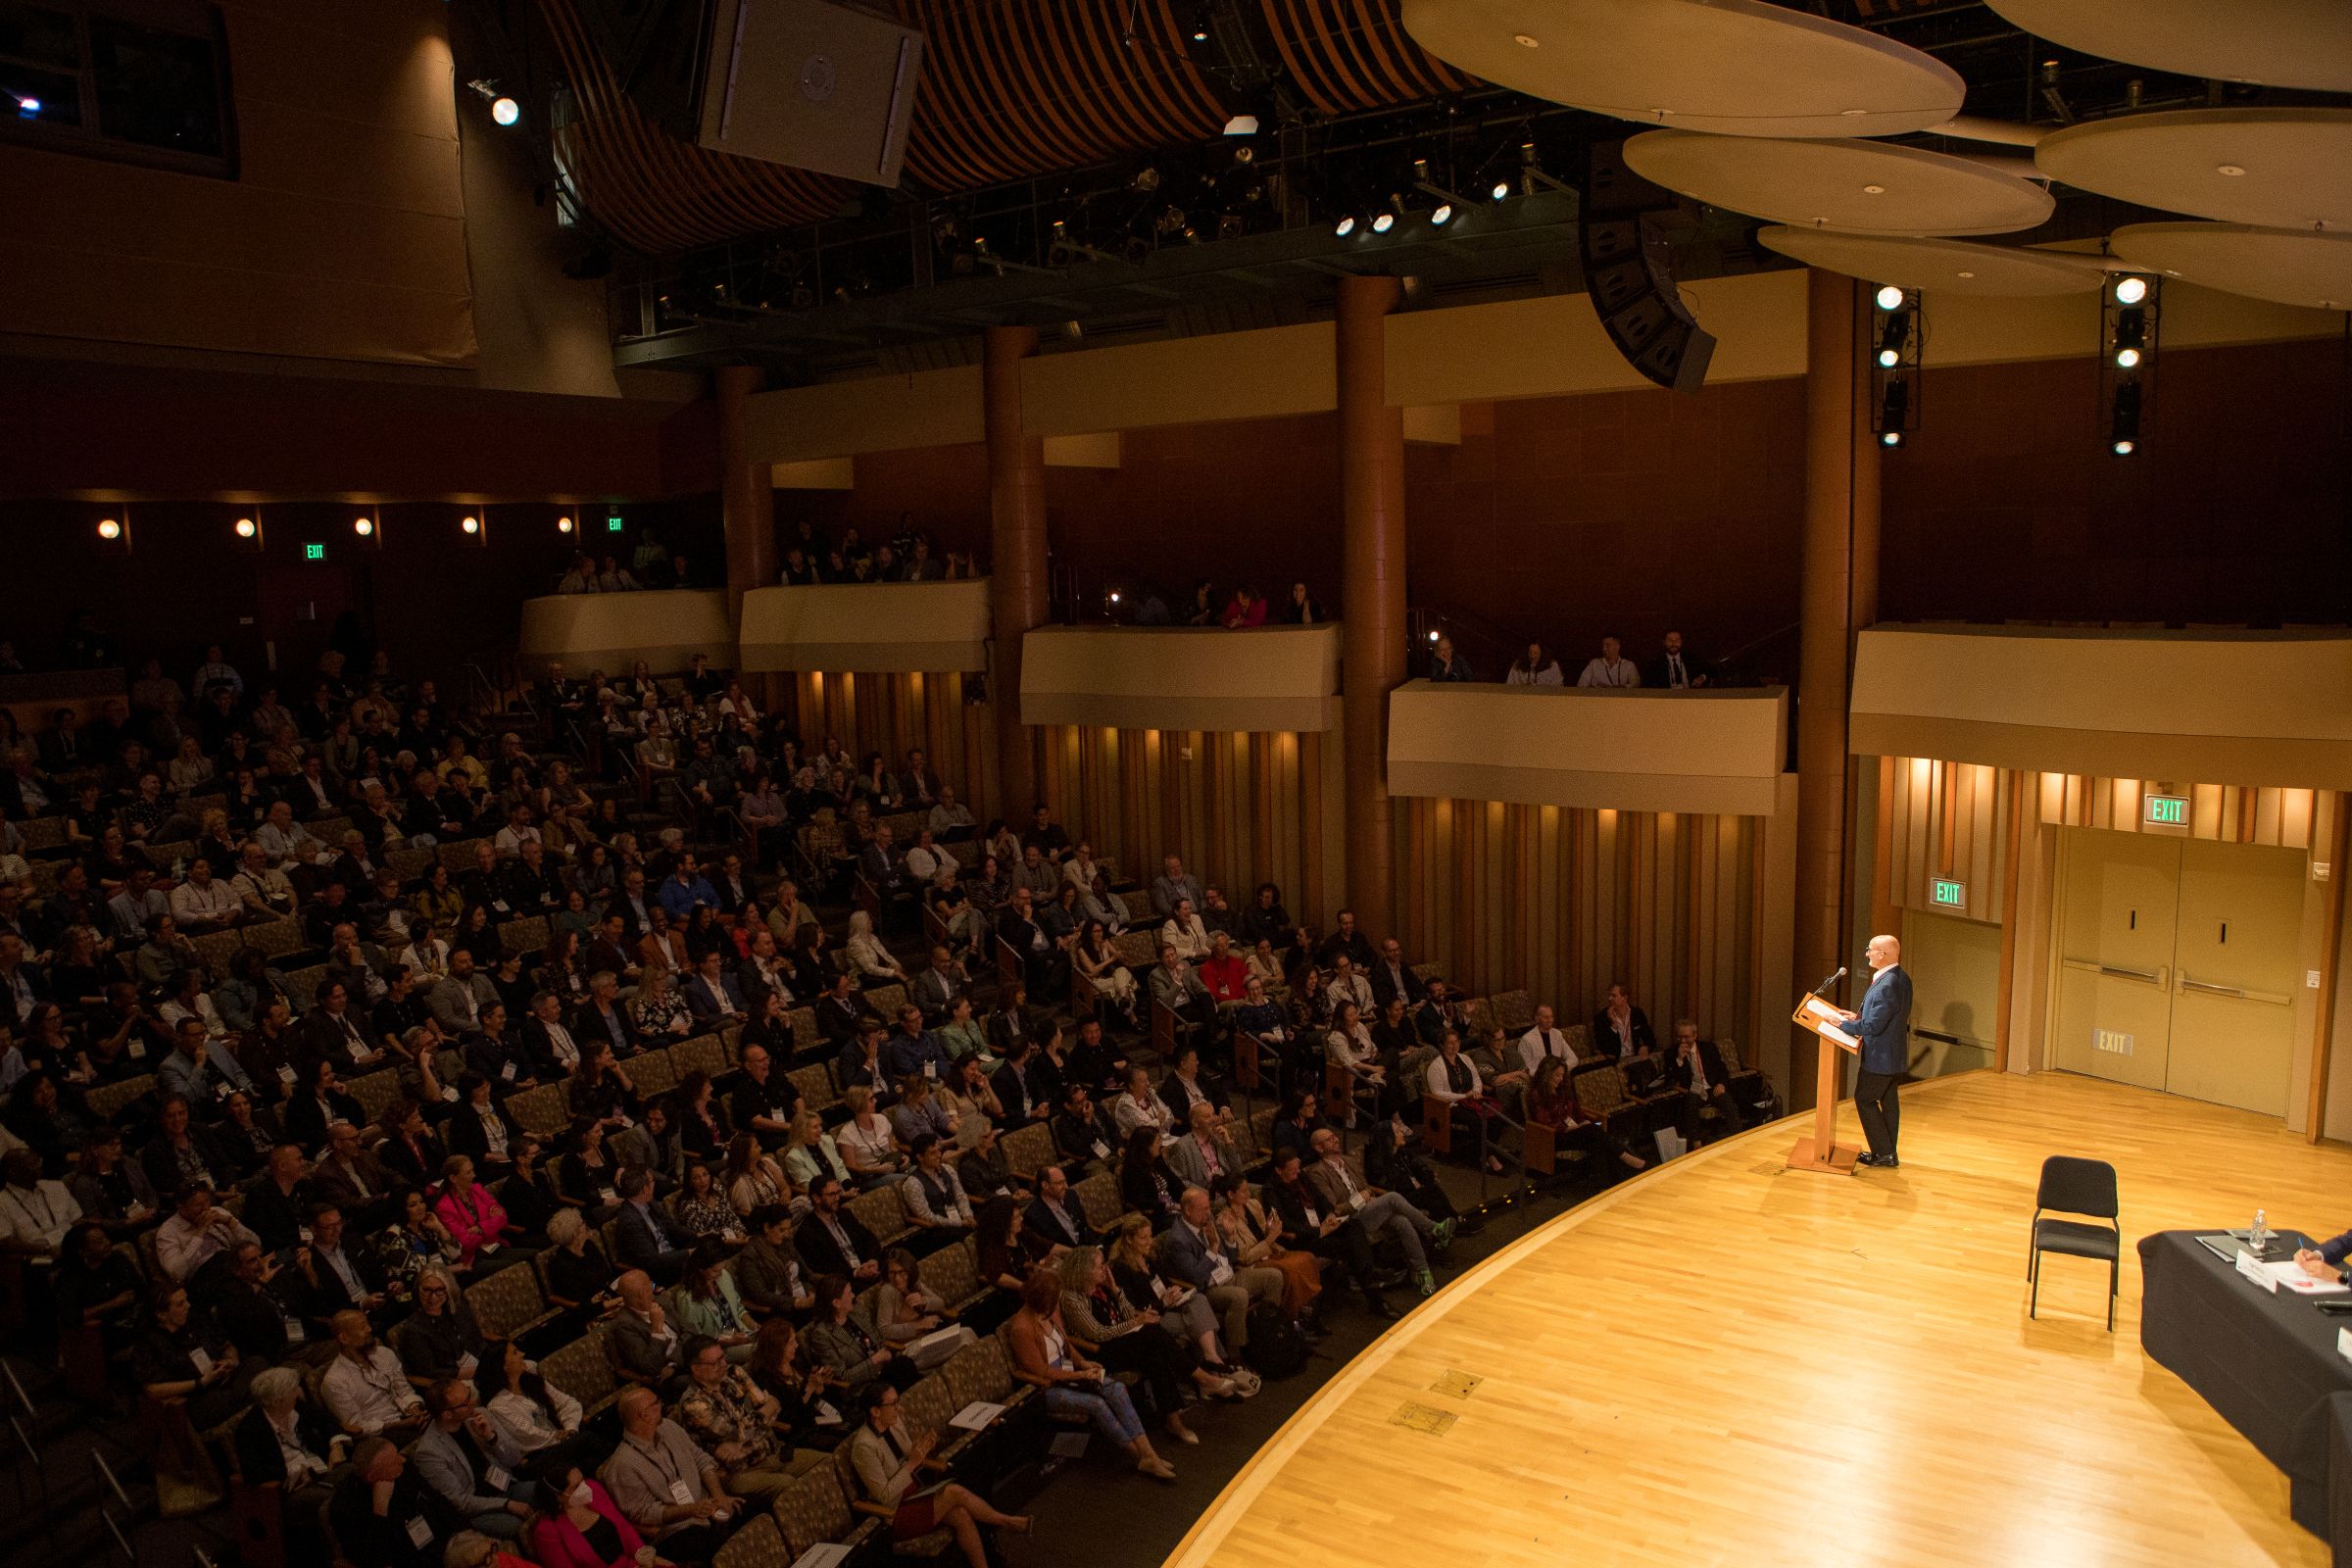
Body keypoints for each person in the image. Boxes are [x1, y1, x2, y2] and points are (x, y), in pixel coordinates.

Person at [1003, 1269, 1178, 1481]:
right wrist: (1082, 1375)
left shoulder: (1051, 1310)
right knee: (1097, 1404)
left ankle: (1149, 1454)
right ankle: (1137, 1456)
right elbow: (1042, 1371)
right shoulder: (1021, 1328)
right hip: (1048, 1387)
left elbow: (1065, 1344)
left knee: (1117, 1389)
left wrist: (1083, 1363)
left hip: (1072, 1372)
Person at [850, 1382, 1032, 1565]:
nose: (900, 1408)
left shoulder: (893, 1423)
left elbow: (906, 1455)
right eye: (894, 1404)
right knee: (954, 1492)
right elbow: (884, 1495)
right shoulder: (864, 1446)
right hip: (895, 1512)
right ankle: (1007, 1522)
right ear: (875, 1411)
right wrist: (912, 1463)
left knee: (961, 1515)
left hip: (915, 1493)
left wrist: (922, 1447)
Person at [675, 1332, 825, 1498]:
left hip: (773, 1450)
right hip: (739, 1471)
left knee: (827, 1463)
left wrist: (763, 1413)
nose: (723, 1364)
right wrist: (763, 1415)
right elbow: (738, 1432)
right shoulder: (693, 1403)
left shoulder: (734, 1373)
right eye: (715, 1362)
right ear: (695, 1368)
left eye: (723, 1357)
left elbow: (773, 1405)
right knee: (791, 1485)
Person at [598, 1386, 737, 1563]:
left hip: (709, 1507)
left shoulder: (669, 1427)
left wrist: (719, 1496)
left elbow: (701, 1460)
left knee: (754, 1507)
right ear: (644, 1415)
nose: (662, 1404)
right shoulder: (622, 1466)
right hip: (677, 1531)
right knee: (718, 1547)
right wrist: (691, 1510)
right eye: (656, 1403)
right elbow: (644, 1513)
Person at [1304, 1126, 1448, 1297]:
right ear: (1319, 1148)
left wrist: (1368, 1197)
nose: (1336, 1139)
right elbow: (1334, 1208)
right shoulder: (1316, 1172)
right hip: (1350, 1220)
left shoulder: (1348, 1161)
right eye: (1329, 1139)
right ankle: (1433, 1228)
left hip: (1370, 1208)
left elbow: (1366, 1188)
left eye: (1334, 1136)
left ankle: (1423, 1273)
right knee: (1393, 1198)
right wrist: (1361, 1199)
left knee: (1402, 1222)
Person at [1157, 1186, 1285, 1355]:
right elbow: (1196, 1276)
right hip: (1208, 1288)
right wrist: (1213, 1248)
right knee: (1239, 1296)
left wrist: (1231, 1238)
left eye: (1209, 1207)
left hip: (1230, 1274)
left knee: (1274, 1276)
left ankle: (1268, 1331)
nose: (1209, 1212)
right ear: (1188, 1210)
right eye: (1203, 1209)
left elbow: (1232, 1258)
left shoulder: (1206, 1221)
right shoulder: (1178, 1240)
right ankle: (1235, 1354)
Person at [412, 1378, 541, 1540]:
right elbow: (461, 1503)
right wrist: (506, 1505)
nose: (473, 1401)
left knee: (544, 1491)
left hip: (506, 1486)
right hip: (478, 1510)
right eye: (466, 1402)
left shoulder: (479, 1415)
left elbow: (514, 1459)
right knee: (516, 1525)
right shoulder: (430, 1453)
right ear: (447, 1414)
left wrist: (491, 1438)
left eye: (469, 1393)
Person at [1839, 933, 1912, 1168]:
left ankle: (1883, 1153)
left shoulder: (1886, 984)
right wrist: (1857, 1017)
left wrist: (1841, 1024)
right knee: (1888, 1102)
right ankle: (1887, 1153)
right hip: (1893, 1056)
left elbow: (1873, 1026)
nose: (1867, 953)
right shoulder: (1902, 978)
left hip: (1880, 1058)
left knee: (1864, 1099)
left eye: (1870, 950)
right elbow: (1883, 1017)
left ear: (1882, 954)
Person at [329, 1435, 451, 1568]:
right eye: (394, 1461)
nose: (402, 1461)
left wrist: (462, 1531)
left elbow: (438, 1500)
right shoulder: (344, 1506)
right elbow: (373, 1558)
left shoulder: (404, 1470)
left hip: (438, 1545)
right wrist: (380, 1511)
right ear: (372, 1476)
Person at [526, 1465, 652, 1568]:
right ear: (558, 1495)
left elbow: (624, 1528)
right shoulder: (547, 1532)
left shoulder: (593, 1489)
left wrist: (645, 1557)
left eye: (583, 1480)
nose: (584, 1487)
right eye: (576, 1486)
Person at [1576, 635, 1641, 688]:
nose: (1604, 649)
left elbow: (1636, 684)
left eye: (1607, 645)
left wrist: (1621, 687)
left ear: (1617, 646)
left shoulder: (1629, 665)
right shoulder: (1594, 664)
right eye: (1603, 646)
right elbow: (1581, 685)